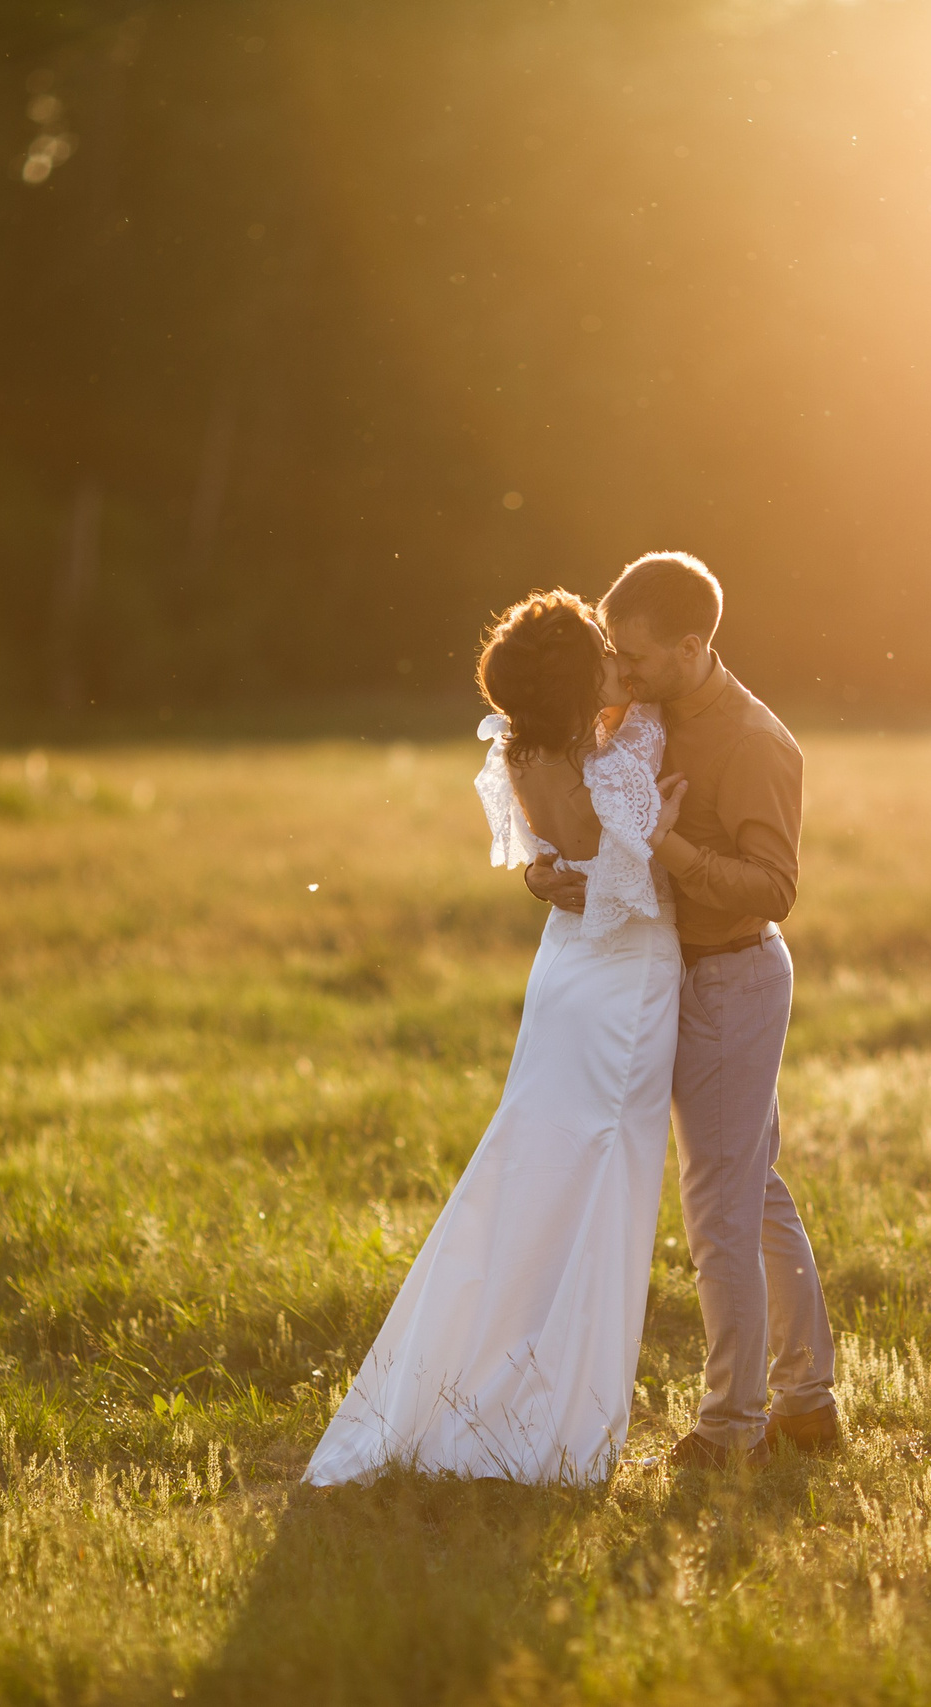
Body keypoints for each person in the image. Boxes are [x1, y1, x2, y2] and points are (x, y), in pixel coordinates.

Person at [305, 590, 689, 1485]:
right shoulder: (604, 758)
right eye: (602, 652)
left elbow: (559, 862)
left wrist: (556, 871)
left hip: (570, 974)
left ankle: (478, 1388)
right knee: (596, 1179)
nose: (617, 663)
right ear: (577, 678)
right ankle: (545, 1422)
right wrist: (657, 833)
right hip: (620, 983)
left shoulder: (529, 749)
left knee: (538, 1170)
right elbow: (620, 883)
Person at [525, 551, 839, 1468]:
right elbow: (586, 818)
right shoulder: (638, 711)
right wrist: (550, 872)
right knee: (752, 1193)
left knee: (718, 1209)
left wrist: (671, 848)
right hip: (661, 975)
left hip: (731, 977)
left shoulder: (756, 742)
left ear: (694, 647)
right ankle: (808, 1405)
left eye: (634, 656)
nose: (618, 670)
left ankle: (730, 1426)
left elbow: (775, 889)